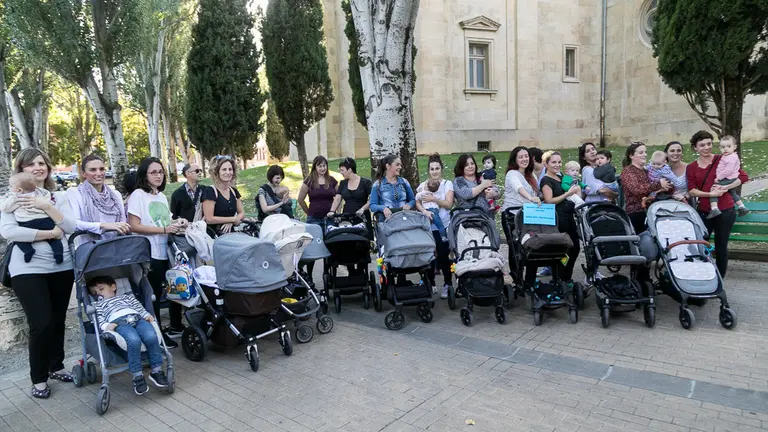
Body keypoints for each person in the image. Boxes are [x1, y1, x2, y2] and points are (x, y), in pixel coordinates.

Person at [0, 148, 77, 398]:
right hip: (27, 268)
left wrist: (46, 206)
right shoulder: (11, 198)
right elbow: (9, 232)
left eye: (41, 163)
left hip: (61, 265)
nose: (37, 168)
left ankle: (56, 365)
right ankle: (39, 377)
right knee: (41, 322)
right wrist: (50, 234)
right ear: (20, 170)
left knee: (57, 320)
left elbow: (71, 225)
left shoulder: (57, 196)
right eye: (30, 164)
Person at [127, 157, 186, 348]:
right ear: (144, 175)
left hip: (163, 251)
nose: (158, 175)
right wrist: (164, 230)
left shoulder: (160, 196)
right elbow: (133, 225)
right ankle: (156, 335)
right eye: (153, 172)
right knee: (150, 296)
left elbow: (166, 221)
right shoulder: (138, 195)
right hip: (147, 253)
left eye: (160, 171)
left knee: (163, 293)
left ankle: (161, 332)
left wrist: (179, 222)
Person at [88, 276, 169, 395]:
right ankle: (137, 376)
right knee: (133, 340)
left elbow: (139, 308)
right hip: (119, 323)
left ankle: (157, 371)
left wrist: (146, 315)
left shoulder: (127, 297)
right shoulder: (98, 305)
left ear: (113, 287)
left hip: (138, 318)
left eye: (101, 289)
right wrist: (106, 326)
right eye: (95, 293)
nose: (98, 294)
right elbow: (99, 319)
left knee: (151, 337)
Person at [686, 130, 748, 278]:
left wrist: (726, 187)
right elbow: (692, 191)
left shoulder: (724, 158)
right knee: (701, 244)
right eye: (702, 145)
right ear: (695, 147)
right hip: (705, 210)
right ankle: (702, 275)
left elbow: (744, 176)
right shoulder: (692, 167)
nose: (706, 147)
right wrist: (710, 194)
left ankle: (719, 278)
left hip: (725, 210)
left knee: (721, 247)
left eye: (709, 144)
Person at [533, 151, 581, 289]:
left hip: (569, 217)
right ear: (546, 164)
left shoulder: (561, 177)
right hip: (558, 219)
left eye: (559, 162)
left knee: (575, 247)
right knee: (563, 249)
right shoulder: (546, 180)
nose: (557, 165)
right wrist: (568, 193)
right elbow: (549, 201)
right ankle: (559, 277)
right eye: (553, 162)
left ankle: (566, 276)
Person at [67, 154, 130, 248]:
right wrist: (103, 226)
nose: (99, 173)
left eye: (101, 169)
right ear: (83, 173)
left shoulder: (115, 195)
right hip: (90, 250)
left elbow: (122, 223)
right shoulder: (75, 193)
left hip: (117, 248)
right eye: (93, 170)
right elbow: (75, 224)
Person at [415, 154, 454, 298]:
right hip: (428, 226)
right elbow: (417, 201)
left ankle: (447, 283)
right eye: (432, 169)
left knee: (443, 255)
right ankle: (430, 283)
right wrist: (424, 210)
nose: (434, 171)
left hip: (442, 225)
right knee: (429, 256)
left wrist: (434, 199)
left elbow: (449, 204)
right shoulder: (424, 185)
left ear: (441, 169)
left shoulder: (447, 184)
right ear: (429, 170)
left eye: (437, 168)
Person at [1, 173, 64, 263]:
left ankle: (28, 250)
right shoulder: (41, 193)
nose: (9, 188)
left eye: (11, 186)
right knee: (55, 239)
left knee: (19, 239)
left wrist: (10, 198)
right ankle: (58, 253)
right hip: (44, 220)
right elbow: (49, 201)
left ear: (19, 190)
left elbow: (5, 208)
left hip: (26, 223)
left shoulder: (17, 198)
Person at [500, 147, 541, 284]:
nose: (524, 159)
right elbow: (519, 188)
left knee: (532, 247)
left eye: (526, 156)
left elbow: (537, 195)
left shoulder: (532, 176)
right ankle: (517, 280)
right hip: (512, 216)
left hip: (529, 216)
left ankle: (530, 281)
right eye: (521, 157)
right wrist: (530, 197)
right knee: (516, 249)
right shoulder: (512, 174)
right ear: (515, 159)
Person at [297, 156, 337, 278]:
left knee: (329, 246)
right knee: (312, 248)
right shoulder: (309, 181)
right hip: (314, 219)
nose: (322, 168)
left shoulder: (332, 180)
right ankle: (309, 275)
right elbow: (300, 199)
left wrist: (336, 211)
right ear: (315, 166)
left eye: (324, 165)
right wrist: (308, 212)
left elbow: (339, 196)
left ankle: (327, 274)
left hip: (329, 219)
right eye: (320, 166)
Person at [619, 143, 671, 235]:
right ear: (631, 155)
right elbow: (636, 189)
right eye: (641, 152)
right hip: (637, 212)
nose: (645, 154)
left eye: (645, 152)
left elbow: (664, 184)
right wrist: (659, 184)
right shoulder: (628, 171)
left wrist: (667, 186)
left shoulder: (648, 170)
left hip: (654, 209)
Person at [202, 155, 246, 236]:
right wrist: (232, 219)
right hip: (214, 236)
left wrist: (231, 222)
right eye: (224, 169)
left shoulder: (233, 191)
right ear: (217, 172)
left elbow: (242, 213)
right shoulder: (210, 191)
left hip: (231, 234)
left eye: (230, 169)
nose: (228, 172)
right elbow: (209, 219)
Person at [709, 135, 749, 218]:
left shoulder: (730, 158)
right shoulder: (729, 156)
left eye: (728, 146)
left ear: (734, 147)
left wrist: (718, 178)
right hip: (731, 178)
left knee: (714, 190)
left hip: (727, 178)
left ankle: (714, 209)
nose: (725, 149)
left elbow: (728, 171)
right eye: (723, 147)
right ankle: (742, 207)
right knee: (732, 192)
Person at [370, 154, 416, 221]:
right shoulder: (377, 185)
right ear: (388, 166)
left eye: (400, 165)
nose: (400, 167)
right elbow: (372, 206)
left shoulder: (404, 182)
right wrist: (383, 208)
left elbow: (412, 200)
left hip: (405, 218)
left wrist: (409, 205)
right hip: (388, 220)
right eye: (397, 165)